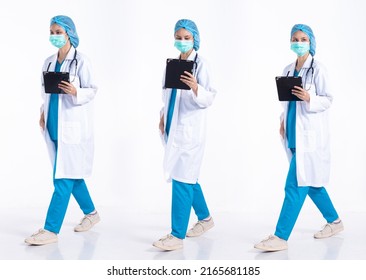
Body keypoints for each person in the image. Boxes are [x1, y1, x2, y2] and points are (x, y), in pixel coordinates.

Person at [254, 24, 344, 252]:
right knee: (312, 184)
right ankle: (335, 222)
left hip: (310, 139)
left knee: (294, 186)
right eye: (295, 39)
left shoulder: (318, 69)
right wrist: (283, 120)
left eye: (303, 39)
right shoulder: (287, 69)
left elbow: (328, 99)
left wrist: (309, 97)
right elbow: (287, 102)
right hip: (293, 133)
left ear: (311, 42)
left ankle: (280, 236)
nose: (298, 42)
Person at [25, 15, 100, 245]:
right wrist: (42, 111)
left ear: (69, 32)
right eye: (52, 32)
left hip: (73, 129)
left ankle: (51, 229)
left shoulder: (82, 61)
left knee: (63, 178)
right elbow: (44, 91)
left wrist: (75, 91)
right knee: (72, 175)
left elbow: (92, 90)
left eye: (58, 31)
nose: (55, 36)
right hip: (53, 125)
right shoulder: (48, 61)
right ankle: (92, 214)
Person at [153, 19, 217, 251]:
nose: (181, 41)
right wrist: (163, 115)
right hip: (172, 126)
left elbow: (209, 98)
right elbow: (167, 94)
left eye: (186, 38)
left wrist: (196, 87)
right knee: (188, 176)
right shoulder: (172, 64)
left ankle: (176, 235)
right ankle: (206, 218)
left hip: (190, 131)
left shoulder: (202, 65)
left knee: (182, 179)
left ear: (195, 39)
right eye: (178, 37)